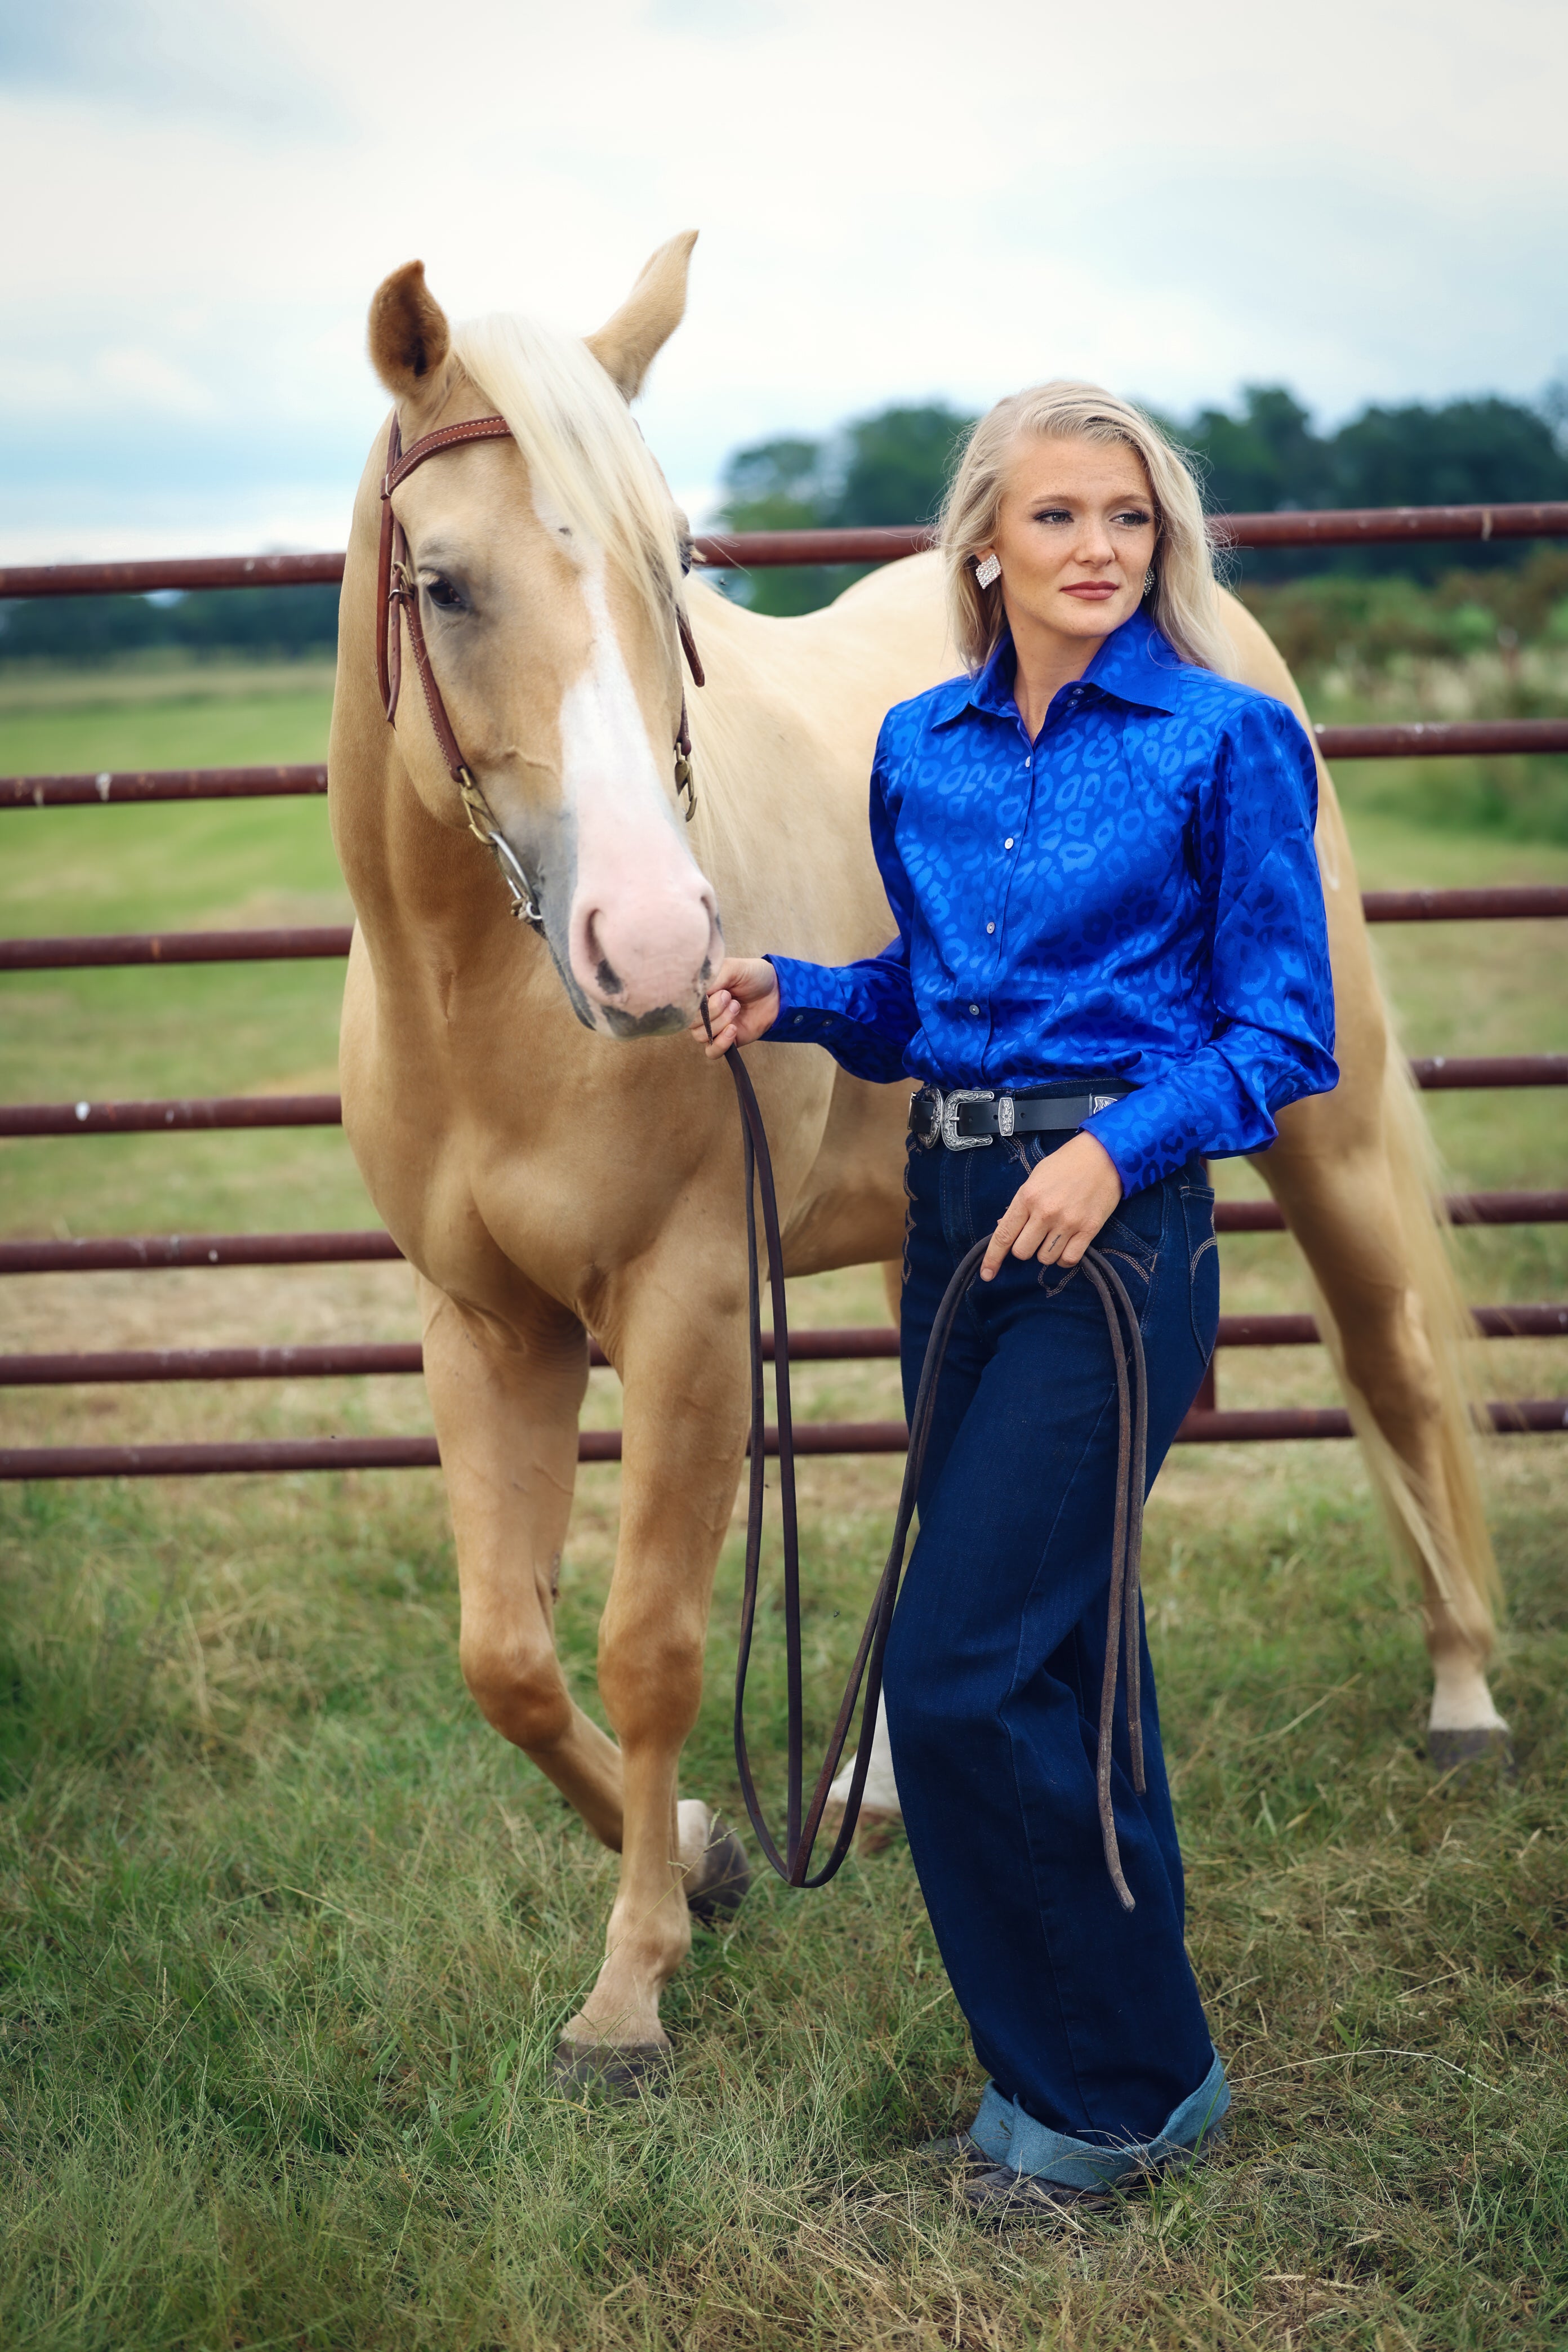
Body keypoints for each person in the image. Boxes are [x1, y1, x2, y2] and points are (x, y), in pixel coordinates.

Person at [692, 382, 1337, 2220]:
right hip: (955, 1217)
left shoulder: (1226, 741)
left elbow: (1286, 1032)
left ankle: (1089, 2103)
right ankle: (1159, 2071)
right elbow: (934, 1001)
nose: (1099, 553)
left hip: (1113, 1246)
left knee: (958, 1671)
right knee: (1066, 1660)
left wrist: (1115, 1150)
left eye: (1129, 520)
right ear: (985, 539)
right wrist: (793, 989)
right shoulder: (924, 748)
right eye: (1059, 519)